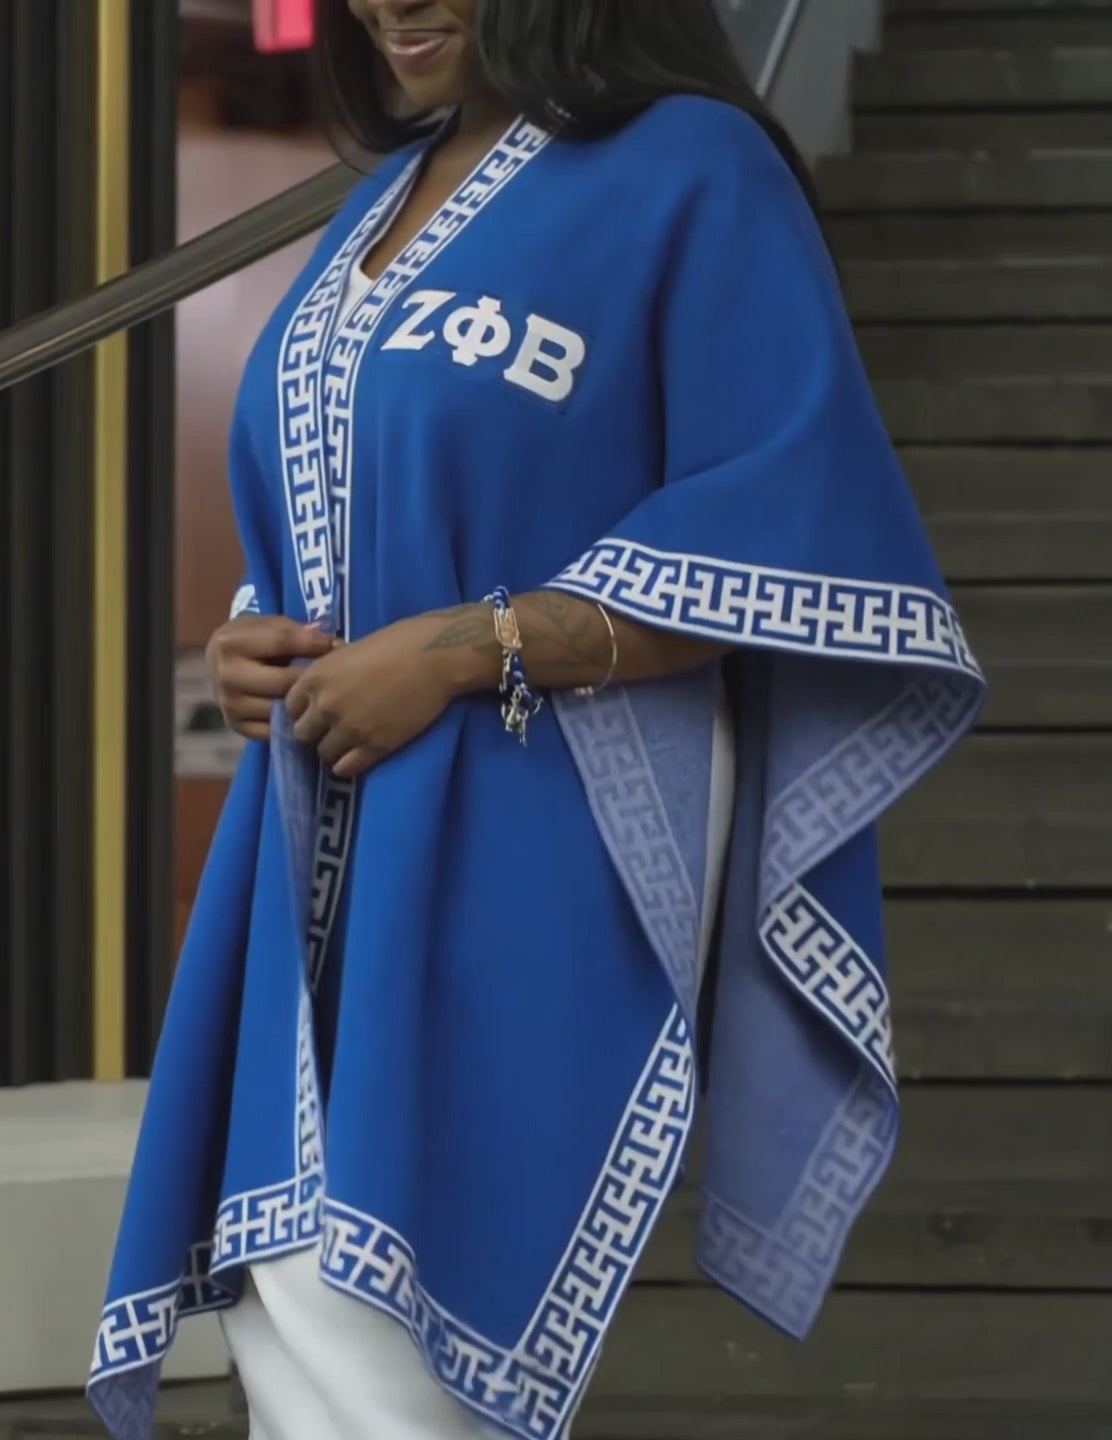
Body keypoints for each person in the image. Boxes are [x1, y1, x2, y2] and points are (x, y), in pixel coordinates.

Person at [90, 2, 986, 1437]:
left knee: (387, 1320)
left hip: (538, 814)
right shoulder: (379, 194)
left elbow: (793, 535)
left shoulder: (693, 168)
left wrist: (466, 649)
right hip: (318, 836)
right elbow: (352, 491)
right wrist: (256, 632)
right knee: (294, 1298)